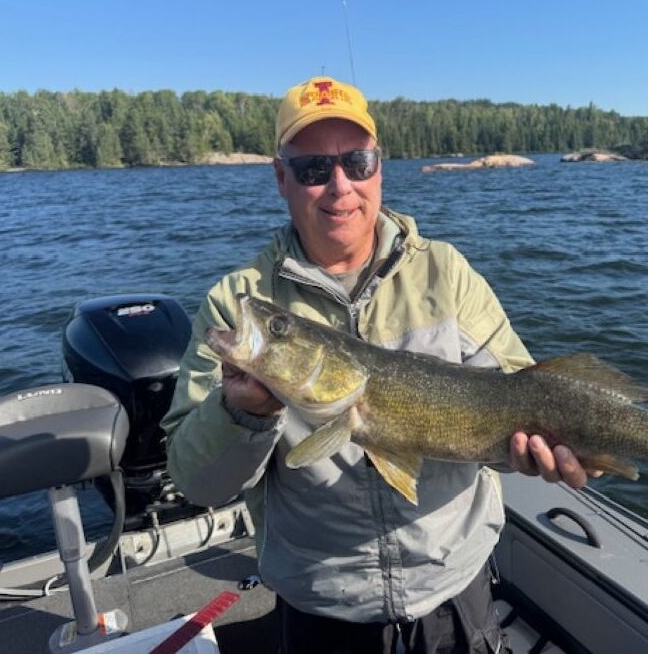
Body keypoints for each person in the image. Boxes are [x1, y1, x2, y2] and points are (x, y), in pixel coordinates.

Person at [162, 76, 592, 654]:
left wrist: (537, 454)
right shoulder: (239, 300)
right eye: (314, 168)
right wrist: (241, 412)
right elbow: (197, 483)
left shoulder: (445, 272)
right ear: (281, 179)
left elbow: (528, 395)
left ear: (379, 168)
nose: (340, 187)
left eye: (357, 162)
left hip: (455, 595)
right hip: (323, 613)